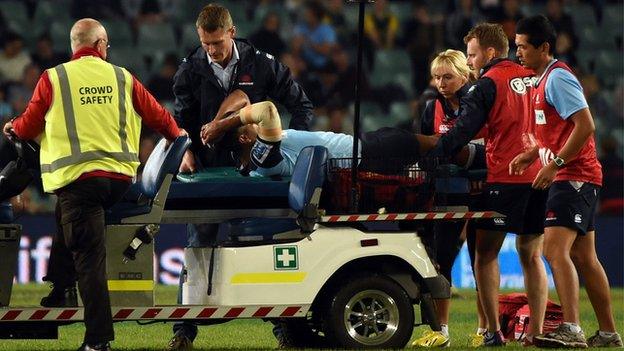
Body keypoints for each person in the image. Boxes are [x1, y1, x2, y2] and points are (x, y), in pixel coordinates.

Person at [2, 18, 183, 351]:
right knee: (66, 214)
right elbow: (159, 116)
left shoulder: (54, 78)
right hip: (119, 181)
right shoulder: (122, 77)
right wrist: (180, 139)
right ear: (101, 45)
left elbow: (27, 127)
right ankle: (61, 288)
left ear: (74, 46)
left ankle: (98, 341)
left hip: (80, 183)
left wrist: (12, 126)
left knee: (90, 258)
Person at [169, 4, 314, 350]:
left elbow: (302, 107)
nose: (212, 51)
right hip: (209, 174)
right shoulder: (190, 70)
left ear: (231, 33)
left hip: (258, 173)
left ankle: (286, 332)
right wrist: (186, 152)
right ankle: (183, 332)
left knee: (268, 251)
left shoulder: (262, 64)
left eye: (217, 43)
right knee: (198, 249)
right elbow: (180, 122)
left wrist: (289, 148)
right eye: (206, 44)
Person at [429, 23, 548, 346]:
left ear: (490, 53)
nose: (469, 61)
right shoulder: (535, 75)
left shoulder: (486, 84)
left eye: (472, 54)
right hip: (540, 174)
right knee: (532, 255)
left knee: (485, 254)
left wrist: (434, 152)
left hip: (504, 177)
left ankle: (493, 331)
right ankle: (536, 332)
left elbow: (463, 131)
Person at [512, 15, 622, 348]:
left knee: (553, 249)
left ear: (543, 48)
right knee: (585, 258)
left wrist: (555, 163)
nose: (518, 53)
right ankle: (608, 334)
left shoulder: (558, 78)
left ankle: (571, 328)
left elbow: (585, 126)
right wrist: (534, 155)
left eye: (522, 47)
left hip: (573, 176)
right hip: (574, 175)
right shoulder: (540, 80)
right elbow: (555, 129)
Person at [411, 49, 487, 348]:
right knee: (441, 261)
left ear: (465, 76)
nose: (441, 83)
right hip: (447, 191)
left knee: (482, 262)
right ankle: (441, 330)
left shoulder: (481, 104)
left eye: (448, 77)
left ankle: (485, 330)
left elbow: (494, 148)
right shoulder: (432, 108)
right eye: (437, 77)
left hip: (482, 191)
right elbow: (426, 149)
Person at [200, 99, 479, 177]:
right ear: (246, 140)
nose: (249, 121)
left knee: (434, 146)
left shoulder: (256, 152)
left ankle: (477, 155)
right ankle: (484, 155)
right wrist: (228, 124)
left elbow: (243, 98)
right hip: (368, 155)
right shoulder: (264, 155)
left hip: (364, 147)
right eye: (246, 125)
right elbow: (266, 109)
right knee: (434, 144)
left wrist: (218, 124)